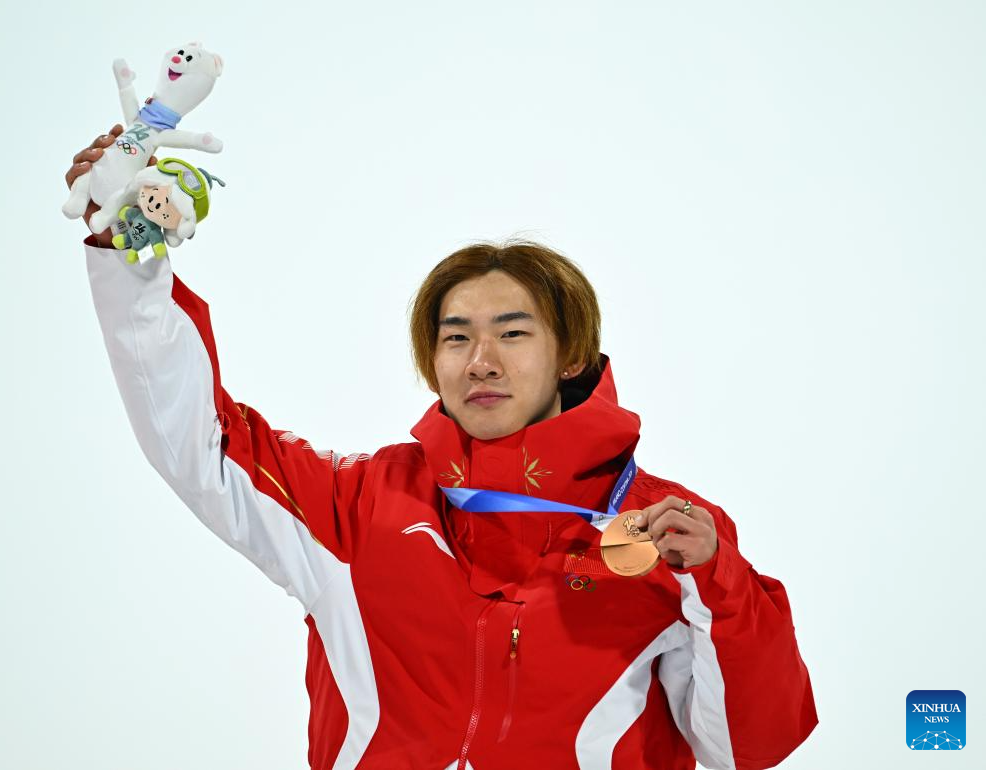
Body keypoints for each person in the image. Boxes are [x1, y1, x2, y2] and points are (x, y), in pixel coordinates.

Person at [67, 125, 818, 770]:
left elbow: (747, 747)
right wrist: (129, 251)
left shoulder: (669, 535)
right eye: (456, 338)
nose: (480, 361)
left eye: (512, 333)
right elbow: (202, 441)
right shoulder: (358, 506)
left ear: (570, 355)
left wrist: (720, 583)